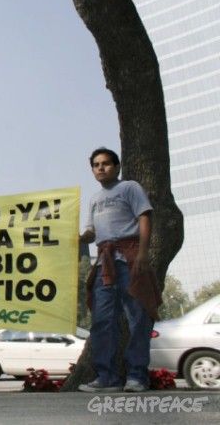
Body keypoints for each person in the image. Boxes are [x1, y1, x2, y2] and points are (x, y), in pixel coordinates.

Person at [78, 148, 160, 393]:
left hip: (130, 257)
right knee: (102, 321)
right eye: (96, 165)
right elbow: (92, 233)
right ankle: (107, 377)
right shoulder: (94, 199)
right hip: (105, 264)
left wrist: (143, 253)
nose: (100, 168)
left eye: (105, 163)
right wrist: (80, 237)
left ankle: (137, 376)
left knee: (137, 319)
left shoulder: (130, 188)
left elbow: (144, 217)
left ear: (117, 166)